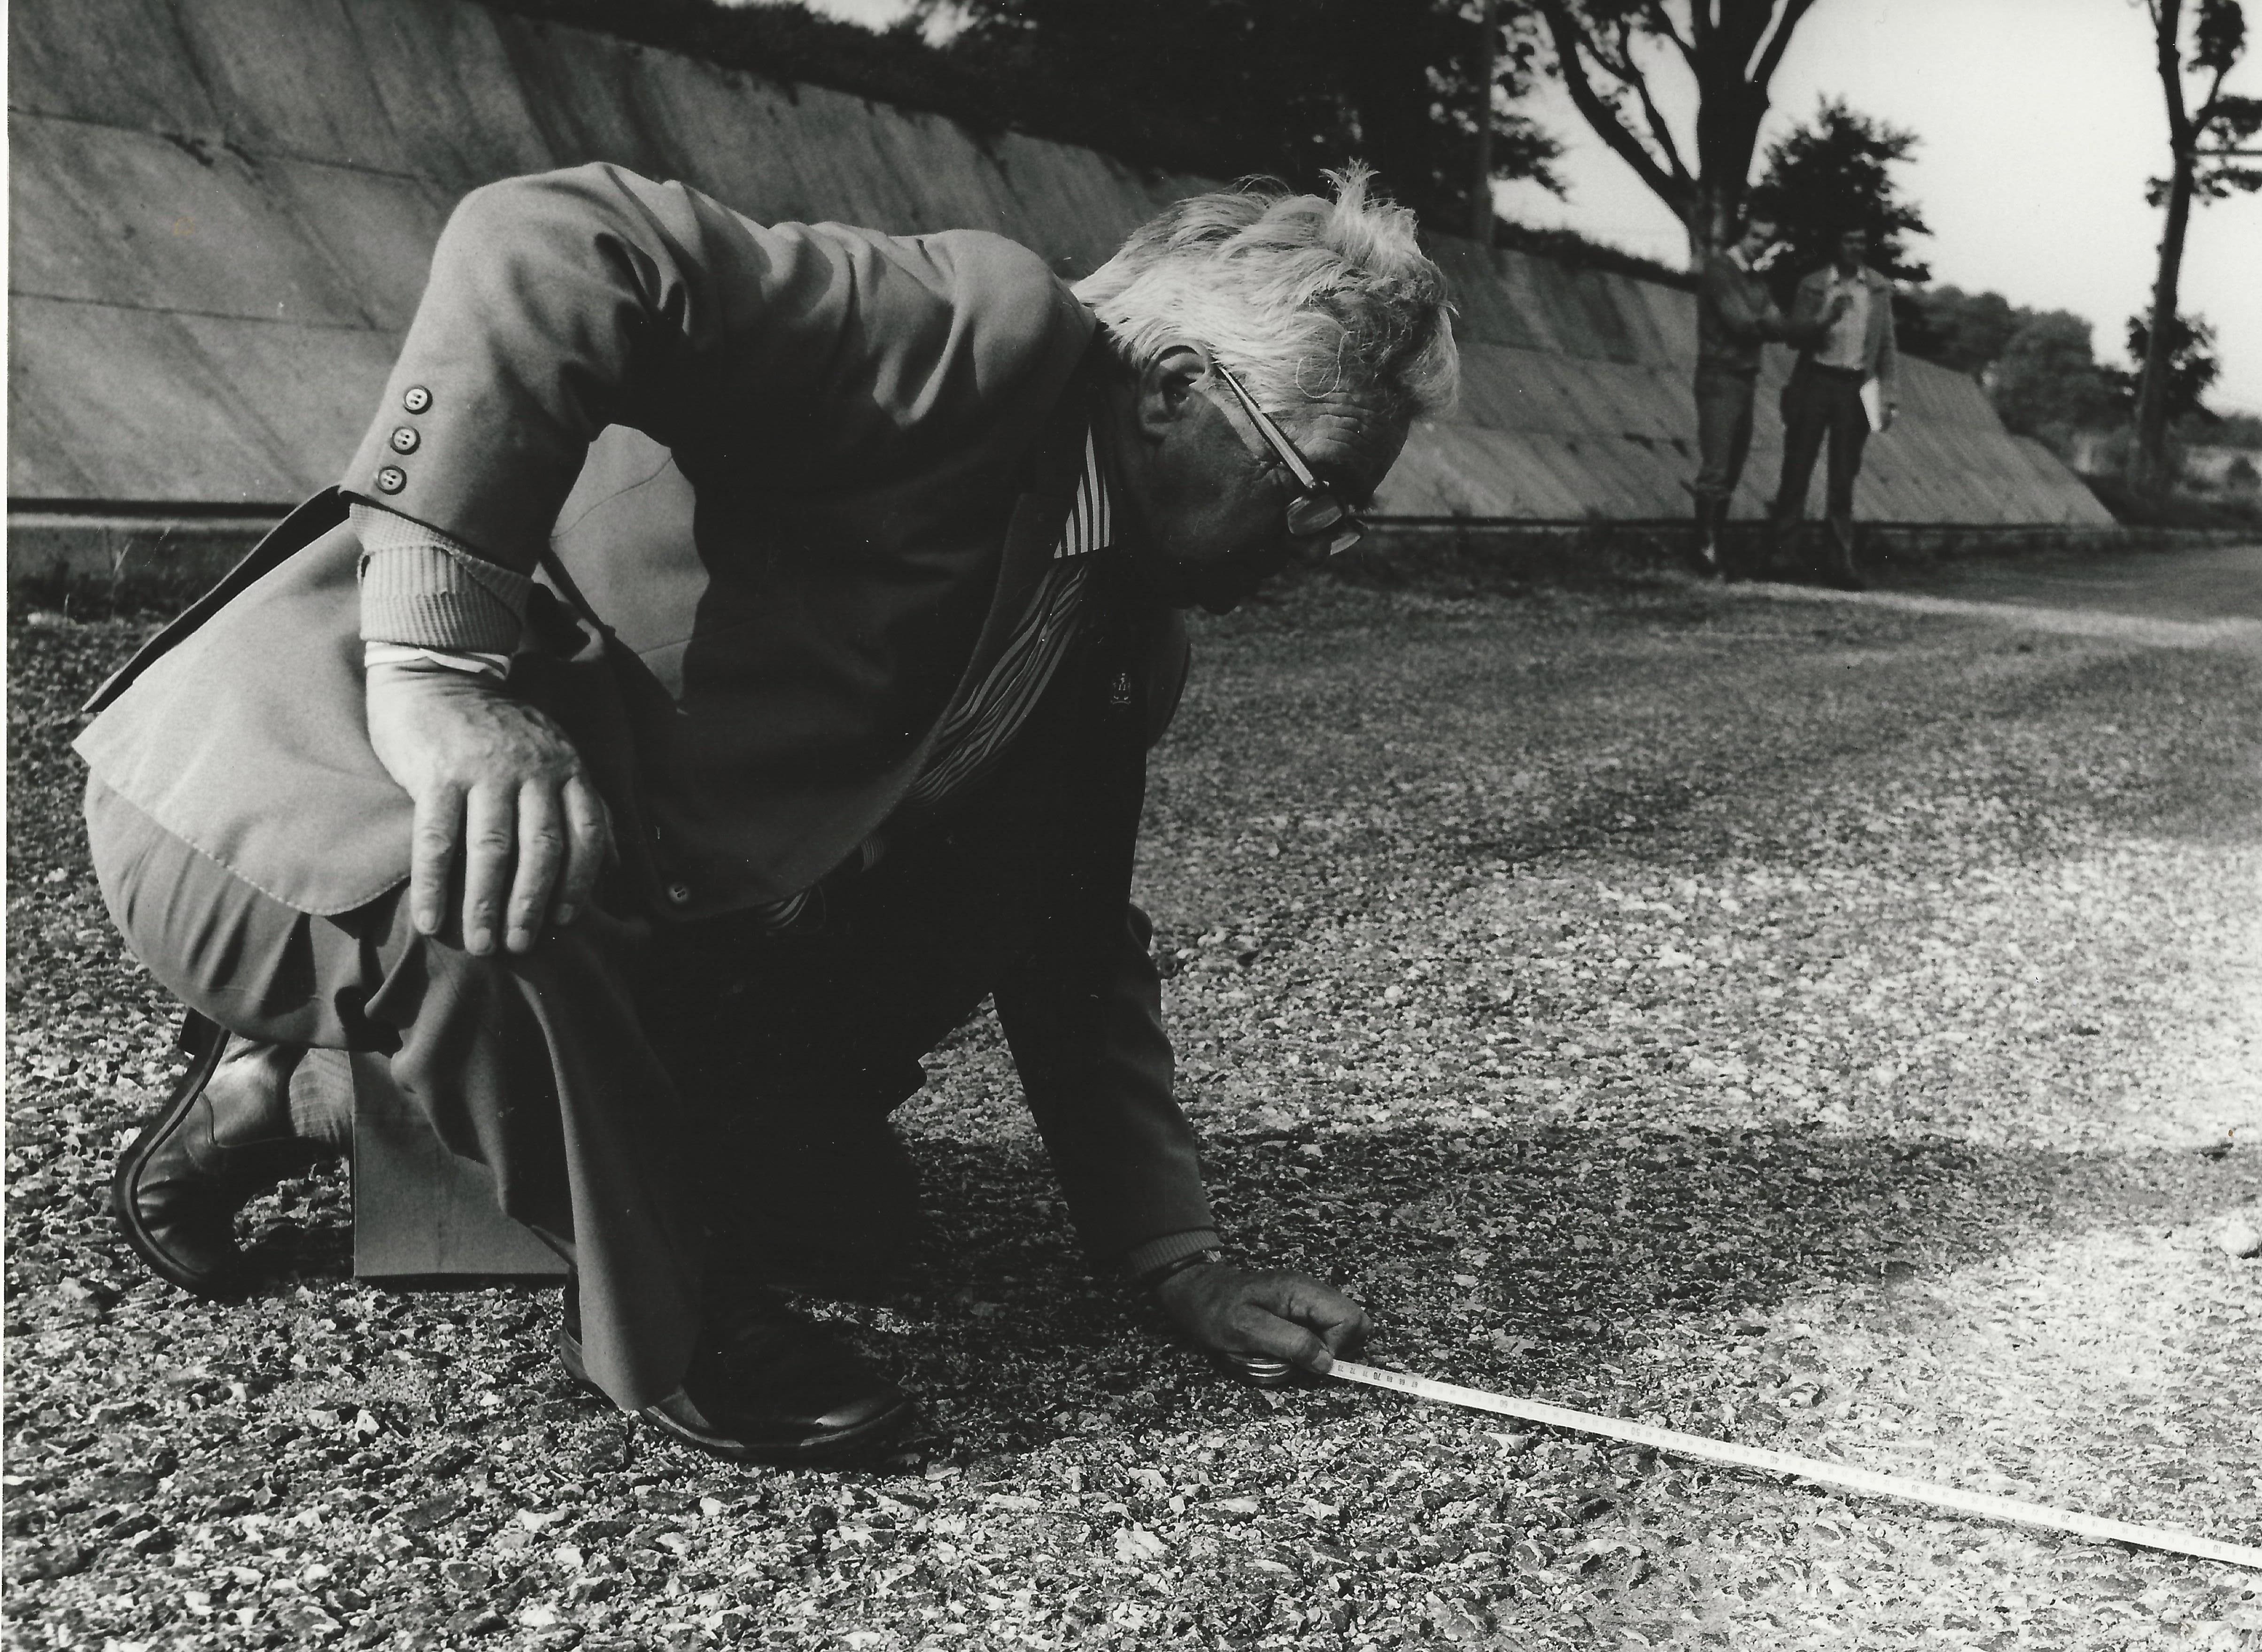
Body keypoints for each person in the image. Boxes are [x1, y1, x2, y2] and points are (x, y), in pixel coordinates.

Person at [78, 163, 1459, 1464]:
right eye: (1317, 492)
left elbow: (1070, 937)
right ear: (1172, 389)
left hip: (601, 908)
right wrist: (436, 667)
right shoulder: (972, 334)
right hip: (286, 803)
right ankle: (670, 1328)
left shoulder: (1123, 633)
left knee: (844, 1220)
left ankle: (310, 1093)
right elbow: (548, 240)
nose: (1321, 549)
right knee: (554, 971)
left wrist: (1179, 1261)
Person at [1689, 211, 1833, 577]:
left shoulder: (1756, 280)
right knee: (1718, 468)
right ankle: (1705, 554)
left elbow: (1775, 322)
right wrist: (1780, 326)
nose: (1761, 246)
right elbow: (1743, 324)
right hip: (1720, 376)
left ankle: (1711, 550)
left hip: (1744, 378)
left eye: (1767, 240)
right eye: (1756, 237)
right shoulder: (1720, 271)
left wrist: (1819, 323)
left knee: (1732, 467)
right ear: (1742, 235)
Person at [1763, 224, 1899, 588]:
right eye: (1848, 240)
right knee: (1797, 468)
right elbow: (1793, 337)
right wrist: (1825, 319)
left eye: (1861, 241)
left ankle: (1840, 562)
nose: (1856, 247)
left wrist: (1889, 395)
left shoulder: (1879, 289)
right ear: (1836, 245)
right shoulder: (1814, 285)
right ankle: (1783, 553)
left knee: (1844, 477)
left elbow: (1886, 345)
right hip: (1815, 380)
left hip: (1855, 387)